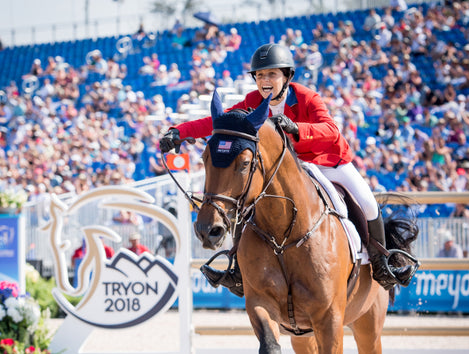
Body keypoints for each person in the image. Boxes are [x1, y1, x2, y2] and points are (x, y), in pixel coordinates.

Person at [159, 43, 417, 295]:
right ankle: (237, 267)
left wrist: (297, 128)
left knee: (368, 203)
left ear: (287, 76)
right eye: (260, 75)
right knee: (247, 201)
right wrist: (179, 132)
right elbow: (218, 122)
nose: (265, 80)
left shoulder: (306, 97)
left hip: (327, 160)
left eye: (271, 74)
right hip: (289, 168)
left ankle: (383, 263)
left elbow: (331, 130)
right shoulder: (251, 102)